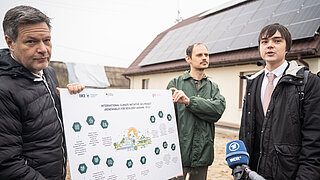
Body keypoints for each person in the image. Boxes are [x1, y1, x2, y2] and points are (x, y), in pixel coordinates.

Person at [0, 5, 84, 179]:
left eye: (46, 40)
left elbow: (46, 124)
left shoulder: (48, 72)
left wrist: (72, 100)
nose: (43, 49)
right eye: (31, 41)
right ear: (10, 43)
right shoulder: (4, 90)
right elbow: (8, 164)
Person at [239, 23, 320, 179]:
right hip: (253, 173)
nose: (270, 45)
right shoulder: (252, 82)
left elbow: (314, 141)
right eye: (264, 41)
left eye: (277, 41)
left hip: (288, 174)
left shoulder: (307, 82)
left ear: (287, 48)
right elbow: (245, 132)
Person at [167, 43, 226, 180]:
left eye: (206, 55)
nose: (204, 58)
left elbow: (218, 110)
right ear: (188, 59)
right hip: (179, 155)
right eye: (199, 55)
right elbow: (167, 118)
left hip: (202, 155)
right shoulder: (175, 84)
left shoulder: (213, 87)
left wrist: (189, 102)